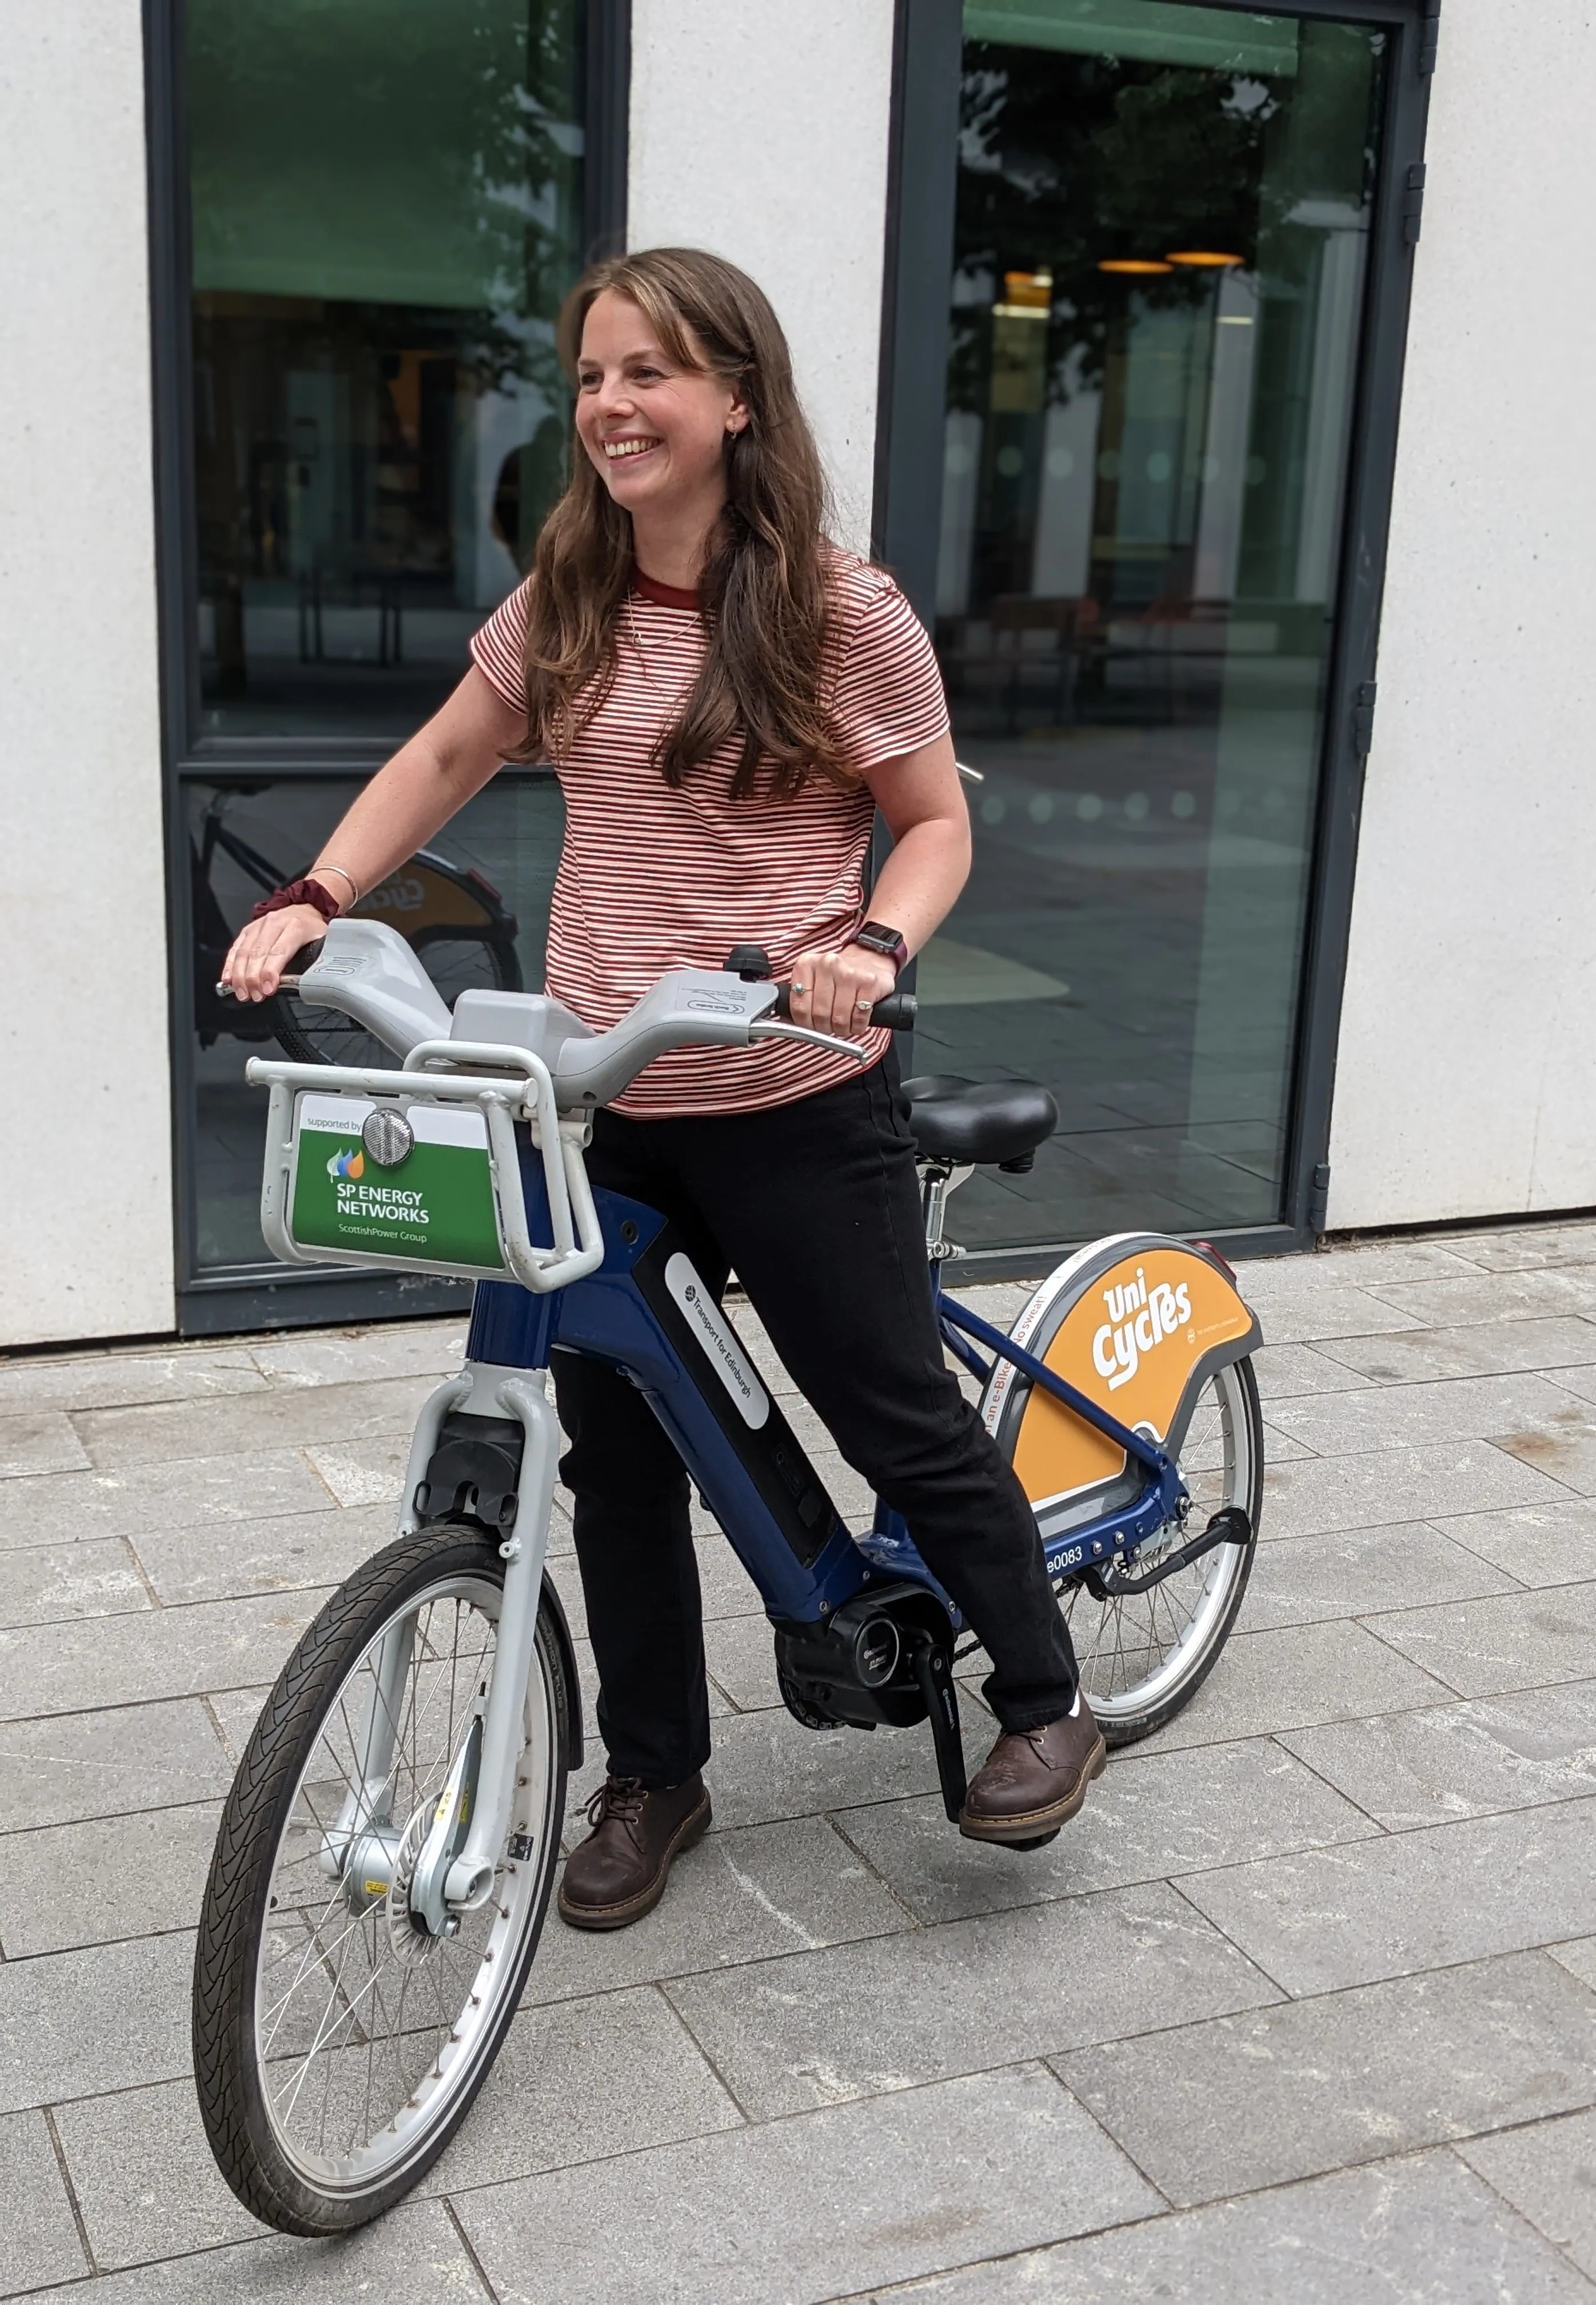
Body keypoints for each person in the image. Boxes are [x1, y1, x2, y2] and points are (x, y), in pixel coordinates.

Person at [222, 246, 1103, 1929]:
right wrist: (317, 898)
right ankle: (655, 1772)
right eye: (595, 377)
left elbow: (934, 821)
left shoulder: (844, 610)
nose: (614, 406)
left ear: (736, 399)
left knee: (885, 1402)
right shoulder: (567, 591)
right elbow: (444, 758)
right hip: (608, 1098)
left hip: (787, 1075)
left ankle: (1044, 1703)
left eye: (651, 374)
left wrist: (872, 942)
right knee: (616, 1452)